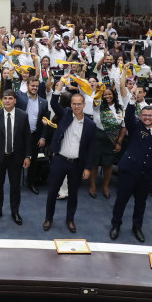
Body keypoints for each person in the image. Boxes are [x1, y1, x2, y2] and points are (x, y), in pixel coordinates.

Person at [109, 85, 152, 243]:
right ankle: (116, 225)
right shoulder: (135, 126)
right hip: (129, 171)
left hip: (146, 173)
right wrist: (133, 100)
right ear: (141, 116)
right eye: (145, 115)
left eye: (150, 115)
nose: (147, 118)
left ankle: (137, 227)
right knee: (121, 200)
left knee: (140, 203)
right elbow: (128, 117)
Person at [43, 82, 96, 233]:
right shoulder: (65, 114)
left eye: (79, 104)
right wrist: (60, 85)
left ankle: (70, 219)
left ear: (84, 105)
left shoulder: (90, 125)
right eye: (74, 104)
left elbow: (92, 149)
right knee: (52, 192)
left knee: (73, 194)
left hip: (77, 164)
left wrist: (87, 167)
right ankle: (48, 218)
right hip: (60, 160)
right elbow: (53, 102)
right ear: (71, 105)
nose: (76, 107)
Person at [0, 89, 31, 226]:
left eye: (10, 98)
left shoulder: (23, 116)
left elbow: (27, 138)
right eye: (5, 98)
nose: (8, 101)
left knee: (15, 186)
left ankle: (15, 212)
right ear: (2, 100)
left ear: (15, 100)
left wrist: (28, 156)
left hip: (16, 158)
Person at [15, 77, 49, 195]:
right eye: (32, 86)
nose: (34, 88)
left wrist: (43, 137)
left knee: (34, 162)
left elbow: (46, 121)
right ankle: (16, 183)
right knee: (18, 159)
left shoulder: (44, 102)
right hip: (20, 135)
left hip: (35, 135)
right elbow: (7, 89)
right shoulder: (20, 98)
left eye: (36, 86)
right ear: (27, 86)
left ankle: (32, 183)